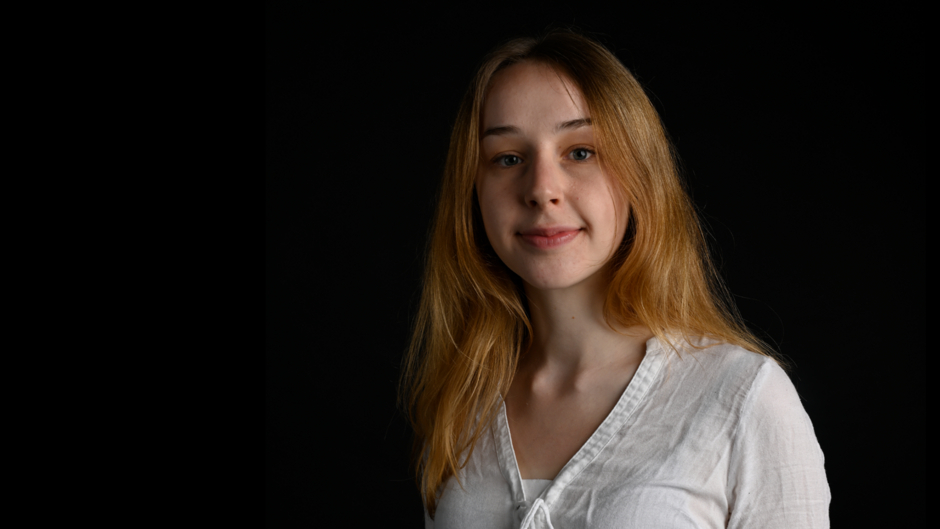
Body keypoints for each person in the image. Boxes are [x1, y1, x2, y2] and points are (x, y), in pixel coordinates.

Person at [400, 29, 830, 529]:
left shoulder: (741, 398)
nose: (541, 189)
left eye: (580, 152)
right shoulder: (460, 407)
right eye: (508, 158)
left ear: (640, 175)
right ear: (473, 192)